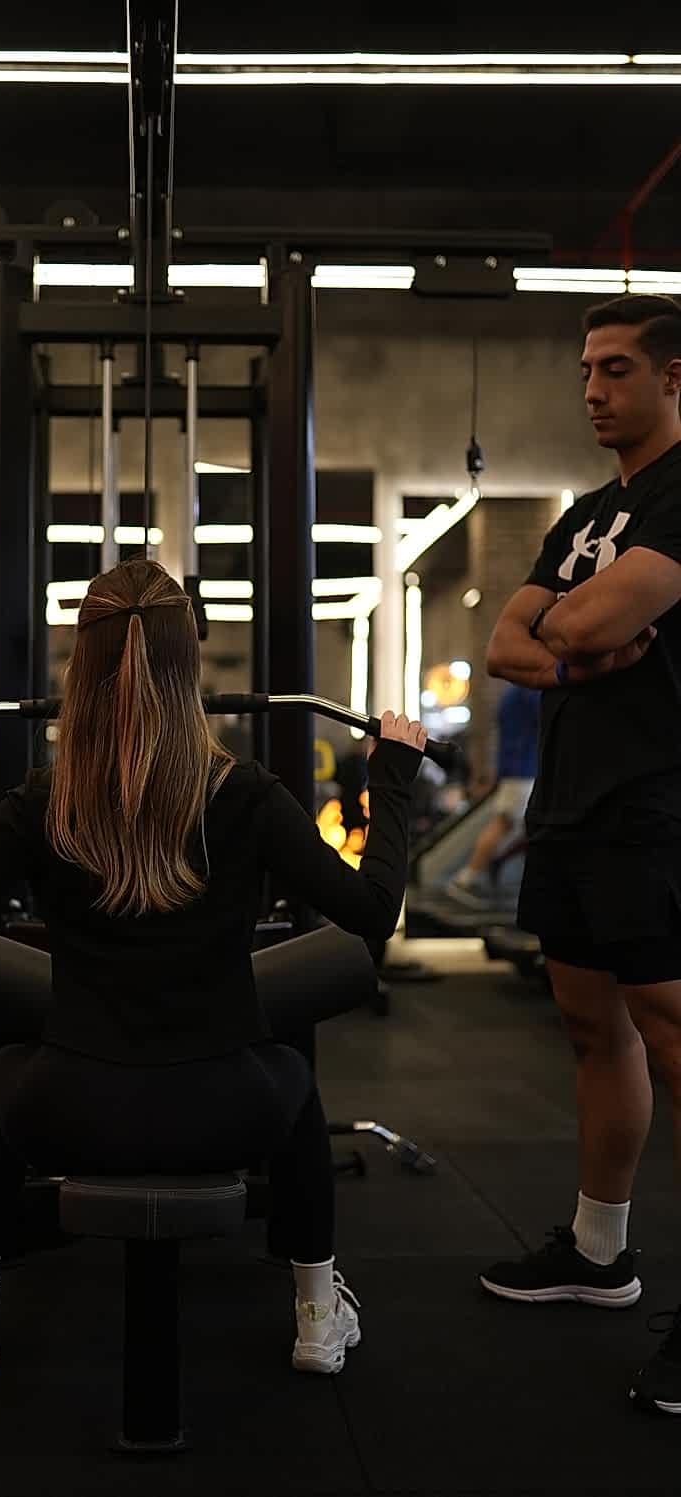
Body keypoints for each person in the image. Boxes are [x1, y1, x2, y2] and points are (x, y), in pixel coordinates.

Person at [0, 559, 427, 1380]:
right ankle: (317, 1316)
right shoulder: (249, 795)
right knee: (296, 1083)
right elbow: (374, 911)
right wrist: (392, 778)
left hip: (71, 1113)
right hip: (228, 1114)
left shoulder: (41, 801)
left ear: (80, 667)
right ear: (189, 664)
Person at [481, 293, 681, 1414]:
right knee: (589, 1029)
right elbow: (508, 642)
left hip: (655, 802)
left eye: (615, 369)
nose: (593, 390)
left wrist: (565, 635)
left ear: (674, 377)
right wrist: (570, 651)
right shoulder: (585, 515)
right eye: (586, 372)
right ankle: (600, 1253)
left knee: (672, 1040)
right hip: (569, 806)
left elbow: (582, 621)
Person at [445, 683, 540, 908]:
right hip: (522, 769)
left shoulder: (512, 693)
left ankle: (484, 872)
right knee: (506, 823)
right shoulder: (527, 691)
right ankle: (467, 878)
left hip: (518, 767)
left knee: (514, 826)